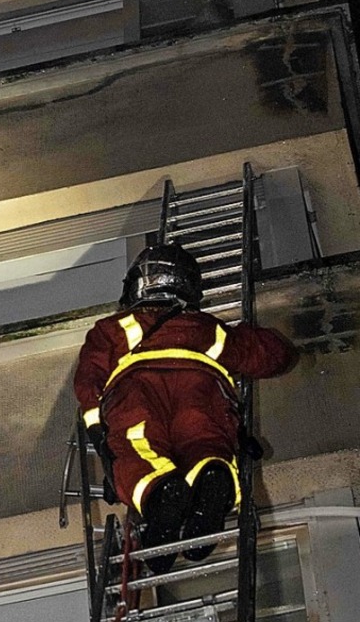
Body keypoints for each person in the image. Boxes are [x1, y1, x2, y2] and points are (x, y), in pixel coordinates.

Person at [74, 243, 298, 573]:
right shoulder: (207, 329)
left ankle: (159, 488)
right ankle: (212, 472)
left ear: (136, 286)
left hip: (136, 391)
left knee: (139, 450)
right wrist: (272, 342)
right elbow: (269, 354)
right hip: (203, 388)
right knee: (205, 441)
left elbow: (88, 381)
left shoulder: (111, 329)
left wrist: (101, 439)